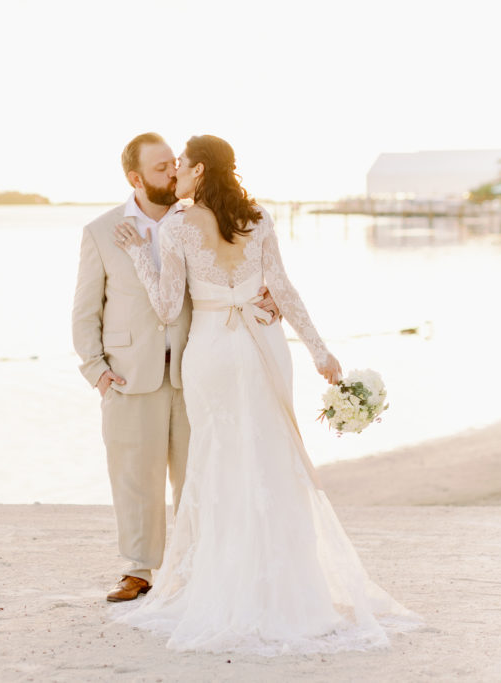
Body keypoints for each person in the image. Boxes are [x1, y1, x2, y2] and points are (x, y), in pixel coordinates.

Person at [111, 135, 419, 654]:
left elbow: (167, 308)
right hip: (263, 346)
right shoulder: (258, 220)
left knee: (220, 463)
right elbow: (287, 289)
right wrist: (322, 353)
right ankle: (290, 587)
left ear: (201, 171)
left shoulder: (177, 228)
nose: (177, 173)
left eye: (183, 165)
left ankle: (227, 582)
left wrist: (141, 253)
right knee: (272, 460)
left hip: (211, 350)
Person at [71, 133, 279, 602]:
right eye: (160, 167)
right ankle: (139, 569)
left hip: (196, 370)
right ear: (135, 178)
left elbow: (236, 269)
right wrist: (96, 370)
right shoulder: (102, 232)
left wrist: (263, 294)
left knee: (197, 473)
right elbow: (85, 311)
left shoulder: (200, 219)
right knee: (133, 475)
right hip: (128, 373)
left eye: (173, 164)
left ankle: (194, 567)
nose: (171, 172)